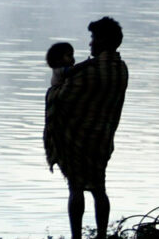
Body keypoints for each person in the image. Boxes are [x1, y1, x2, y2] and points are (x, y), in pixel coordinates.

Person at [47, 17, 128, 239]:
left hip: (79, 139)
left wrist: (53, 90)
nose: (90, 44)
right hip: (103, 140)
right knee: (99, 188)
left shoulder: (88, 73)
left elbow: (61, 98)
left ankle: (76, 237)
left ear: (102, 40)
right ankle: (101, 235)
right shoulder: (121, 69)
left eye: (93, 38)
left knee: (76, 188)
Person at [44, 42, 76, 174]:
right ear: (58, 60)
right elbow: (74, 70)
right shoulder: (59, 71)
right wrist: (89, 64)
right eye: (69, 56)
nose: (73, 59)